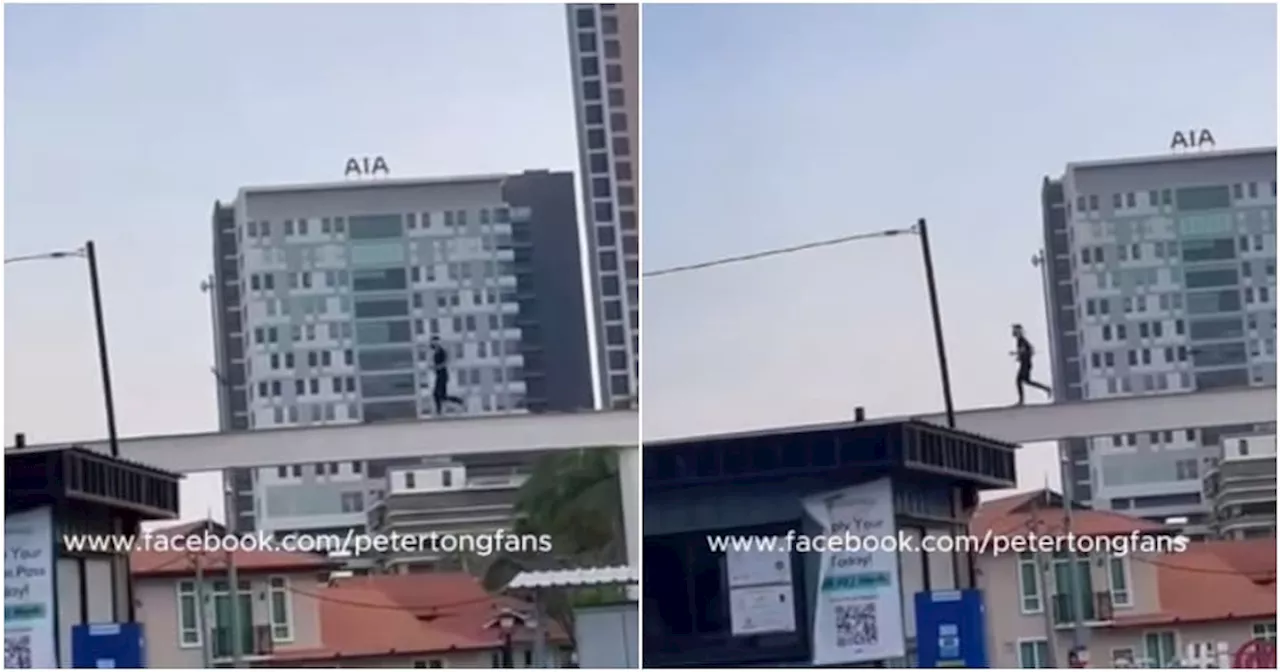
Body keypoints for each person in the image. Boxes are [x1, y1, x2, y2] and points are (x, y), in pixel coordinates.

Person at [1011, 324, 1052, 406]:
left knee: (1019, 381)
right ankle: (1046, 389)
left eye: (1014, 330)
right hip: (1025, 363)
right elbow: (1027, 351)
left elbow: (1024, 350)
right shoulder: (1021, 340)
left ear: (1018, 331)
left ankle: (1021, 401)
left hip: (1026, 364)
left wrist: (1015, 353)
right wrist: (1019, 357)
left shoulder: (1021, 340)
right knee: (1026, 381)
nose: (1013, 332)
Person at [430, 337, 465, 415]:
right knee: (441, 396)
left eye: (435, 342)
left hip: (443, 375)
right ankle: (459, 401)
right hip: (439, 375)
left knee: (437, 395)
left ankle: (458, 401)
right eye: (433, 342)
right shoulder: (435, 352)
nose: (433, 343)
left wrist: (437, 367)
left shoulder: (442, 351)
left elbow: (445, 362)